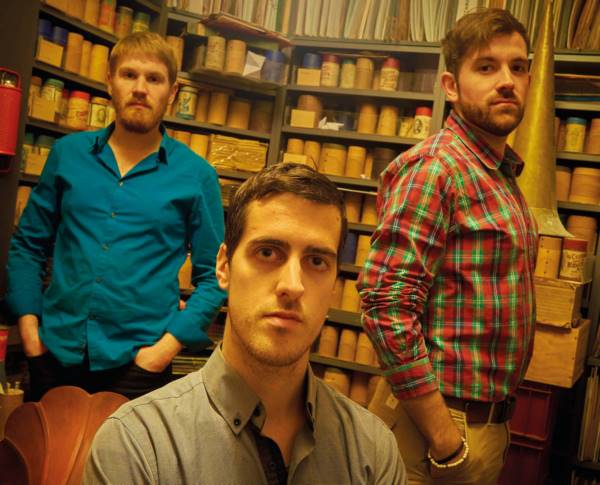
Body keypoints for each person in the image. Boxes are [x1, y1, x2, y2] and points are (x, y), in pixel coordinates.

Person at [85, 163, 406, 484]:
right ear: (223, 267)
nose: (292, 285)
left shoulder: (373, 452)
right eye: (267, 252)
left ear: (334, 286)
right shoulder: (138, 445)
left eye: (316, 261)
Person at [357, 8, 537, 485]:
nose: (507, 81)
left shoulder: (497, 172)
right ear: (451, 86)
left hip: (481, 421)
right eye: (487, 67)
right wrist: (444, 438)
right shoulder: (437, 169)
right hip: (435, 431)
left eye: (518, 67)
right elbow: (386, 305)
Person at [5, 32, 226, 400]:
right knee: (45, 441)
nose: (140, 88)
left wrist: (162, 353)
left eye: (154, 79)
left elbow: (214, 279)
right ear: (110, 81)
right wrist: (30, 336)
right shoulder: (67, 154)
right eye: (129, 75)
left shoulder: (197, 176)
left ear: (172, 92)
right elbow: (28, 246)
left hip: (139, 368)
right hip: (54, 357)